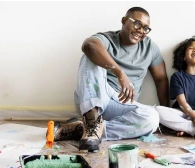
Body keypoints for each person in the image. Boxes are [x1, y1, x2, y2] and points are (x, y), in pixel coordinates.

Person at [54, 7, 169, 152]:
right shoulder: (108, 39)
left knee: (152, 119)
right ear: (124, 21)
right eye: (137, 24)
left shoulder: (150, 47)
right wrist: (120, 73)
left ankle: (84, 130)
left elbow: (161, 79)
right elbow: (89, 45)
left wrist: (167, 113)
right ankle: (91, 120)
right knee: (89, 56)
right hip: (96, 97)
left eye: (146, 28)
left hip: (123, 105)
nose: (141, 31)